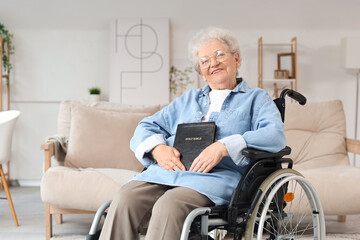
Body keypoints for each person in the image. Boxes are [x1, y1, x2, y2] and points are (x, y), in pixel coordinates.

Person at [99, 28, 286, 240]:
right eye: (204, 60)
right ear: (200, 72)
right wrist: (158, 149)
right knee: (125, 197)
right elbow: (146, 125)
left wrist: (223, 146)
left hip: (215, 178)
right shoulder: (188, 100)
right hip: (167, 173)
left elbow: (275, 135)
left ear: (237, 58)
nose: (213, 63)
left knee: (169, 205)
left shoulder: (256, 99)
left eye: (219, 54)